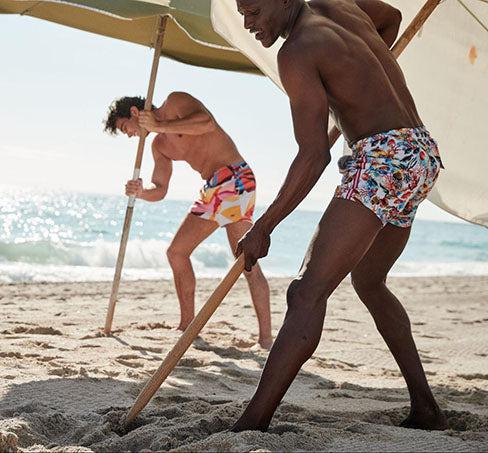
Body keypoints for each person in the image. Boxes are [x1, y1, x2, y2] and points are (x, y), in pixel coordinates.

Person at [232, 0, 447, 430]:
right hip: (420, 153)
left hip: (384, 158)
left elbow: (313, 157)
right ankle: (426, 409)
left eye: (254, 10)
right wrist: (356, 80)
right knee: (369, 281)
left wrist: (264, 225)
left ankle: (252, 424)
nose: (248, 23)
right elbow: (391, 19)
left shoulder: (295, 52)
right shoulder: (339, 4)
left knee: (306, 292)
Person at [103, 92, 273, 348]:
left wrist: (159, 125)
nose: (129, 135)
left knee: (245, 263)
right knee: (176, 252)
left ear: (136, 113)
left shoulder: (175, 103)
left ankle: (266, 340)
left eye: (125, 128)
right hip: (212, 187)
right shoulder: (159, 146)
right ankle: (187, 324)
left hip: (236, 177)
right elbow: (160, 189)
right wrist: (141, 192)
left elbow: (206, 123)